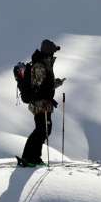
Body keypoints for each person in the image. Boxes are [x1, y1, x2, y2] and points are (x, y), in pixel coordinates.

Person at [18, 39, 65, 167]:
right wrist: (45, 96)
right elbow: (38, 86)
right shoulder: (40, 65)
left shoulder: (44, 63)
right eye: (53, 50)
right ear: (49, 51)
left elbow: (44, 85)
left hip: (43, 102)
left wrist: (56, 83)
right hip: (40, 103)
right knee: (42, 130)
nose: (54, 53)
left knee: (43, 130)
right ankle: (29, 157)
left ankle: (33, 157)